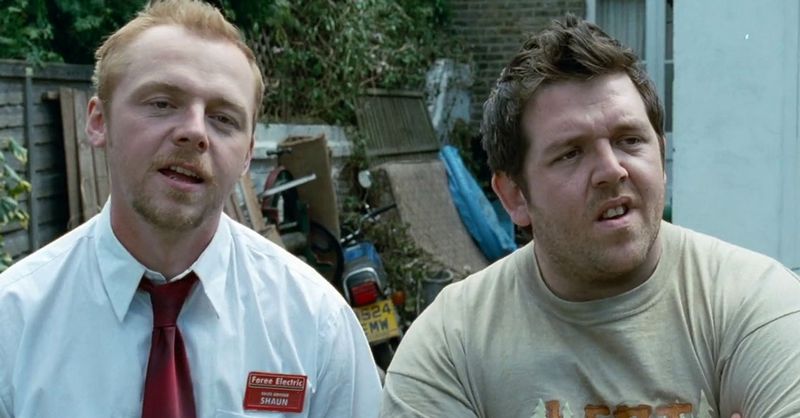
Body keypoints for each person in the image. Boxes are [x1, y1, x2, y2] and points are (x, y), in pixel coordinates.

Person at [380, 14, 800, 418]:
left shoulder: (756, 305)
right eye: (570, 153)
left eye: (629, 140)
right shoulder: (451, 345)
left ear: (661, 157)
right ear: (514, 196)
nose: (611, 171)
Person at [0, 1, 381, 417]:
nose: (195, 131)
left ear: (248, 153)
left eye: (223, 118)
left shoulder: (317, 325)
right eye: (162, 103)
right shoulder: (12, 323)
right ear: (98, 121)